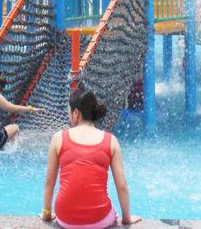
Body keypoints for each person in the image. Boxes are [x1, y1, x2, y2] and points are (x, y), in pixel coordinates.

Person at [41, 89, 139, 229]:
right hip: (100, 219)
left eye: (69, 112)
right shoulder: (111, 141)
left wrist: (46, 214)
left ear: (76, 113)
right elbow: (122, 186)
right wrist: (126, 219)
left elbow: (49, 182)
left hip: (65, 218)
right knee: (112, 212)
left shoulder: (58, 138)